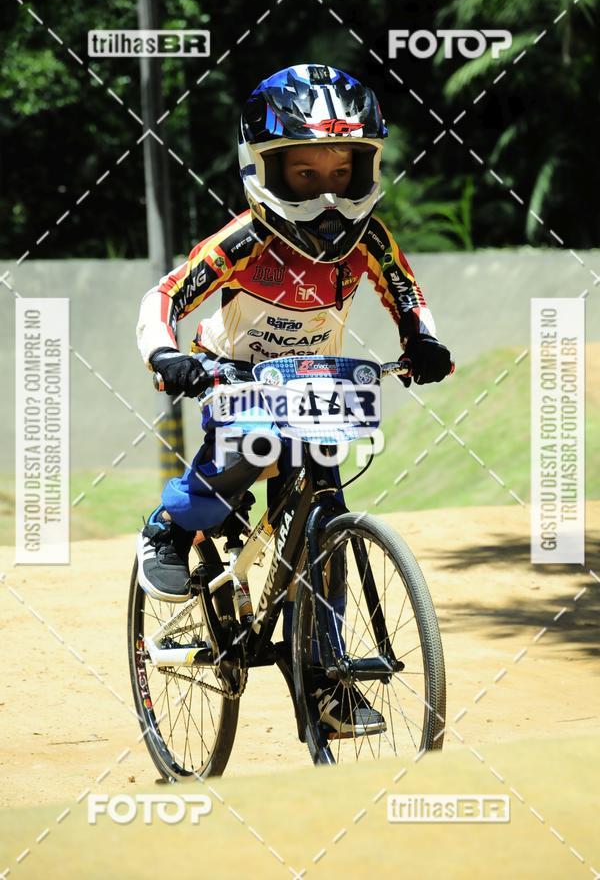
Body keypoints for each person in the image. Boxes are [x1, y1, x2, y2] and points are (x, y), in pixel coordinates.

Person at [136, 63, 453, 737]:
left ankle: (327, 677)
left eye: (342, 173)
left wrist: (423, 340)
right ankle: (170, 526)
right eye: (305, 175)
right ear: (264, 169)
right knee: (233, 469)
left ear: (367, 169)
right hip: (237, 377)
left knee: (324, 528)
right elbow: (165, 296)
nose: (329, 194)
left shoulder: (367, 239)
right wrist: (167, 355)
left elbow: (405, 291)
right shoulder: (245, 239)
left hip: (316, 384)